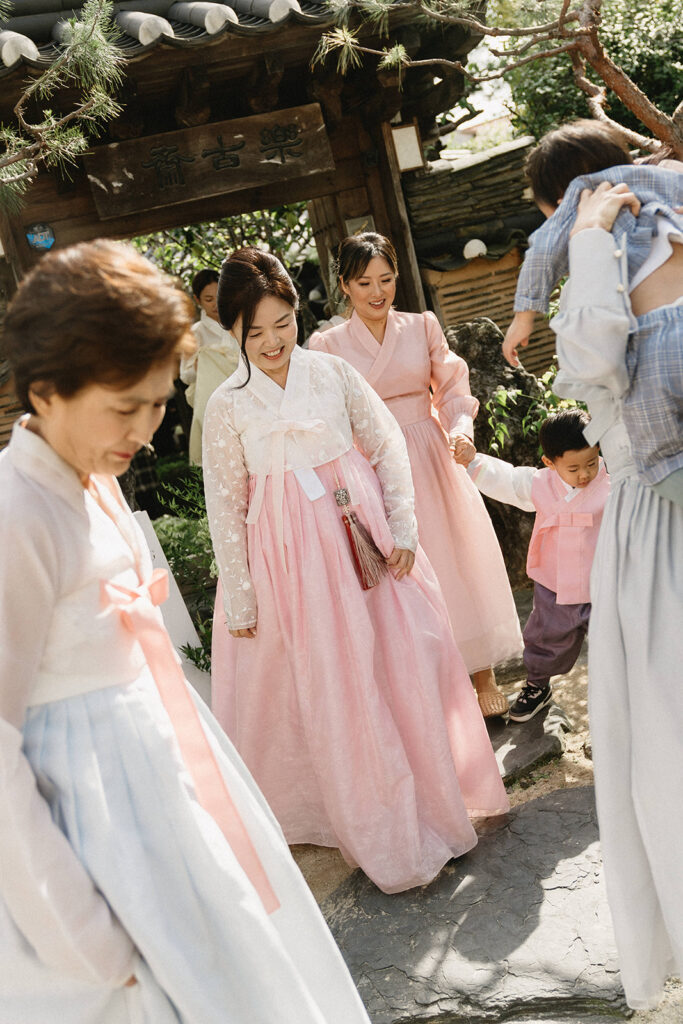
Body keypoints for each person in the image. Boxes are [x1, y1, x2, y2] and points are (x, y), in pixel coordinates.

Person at [0, 239, 373, 1024]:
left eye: (159, 402)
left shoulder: (89, 479)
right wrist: (79, 933)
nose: (143, 427)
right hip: (94, 823)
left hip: (162, 783)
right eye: (123, 405)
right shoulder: (19, 515)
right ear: (46, 388)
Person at [203, 247, 509, 894]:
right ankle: (373, 829)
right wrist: (242, 597)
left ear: (296, 311)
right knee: (334, 691)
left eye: (281, 322)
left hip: (359, 538)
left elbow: (387, 443)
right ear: (231, 332)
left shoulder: (330, 373)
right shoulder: (226, 406)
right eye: (252, 332)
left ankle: (428, 811)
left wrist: (401, 526)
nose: (271, 341)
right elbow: (225, 506)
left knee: (395, 669)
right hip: (290, 564)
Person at [549, 183, 683, 1011]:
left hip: (649, 535)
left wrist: (587, 245)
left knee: (665, 735)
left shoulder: (607, 259)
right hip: (649, 534)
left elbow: (585, 361)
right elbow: (593, 366)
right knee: (665, 735)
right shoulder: (634, 258)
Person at [308, 232, 522, 720]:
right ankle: (429, 684)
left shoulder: (422, 325)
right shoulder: (326, 345)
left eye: (386, 279)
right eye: (365, 282)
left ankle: (481, 673)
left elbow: (451, 387)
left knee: (454, 555)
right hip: (374, 462)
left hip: (429, 448)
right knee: (402, 566)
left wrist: (461, 428)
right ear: (345, 285)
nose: (377, 291)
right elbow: (327, 413)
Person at [502, 120, 683, 501]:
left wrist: (524, 314)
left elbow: (541, 255)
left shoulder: (581, 201)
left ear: (556, 198)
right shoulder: (654, 177)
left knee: (664, 459)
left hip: (654, 346)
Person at [464, 409, 609, 722]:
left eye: (591, 463)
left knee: (613, 643)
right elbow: (508, 479)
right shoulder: (540, 484)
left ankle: (616, 702)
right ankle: (538, 686)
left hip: (605, 583)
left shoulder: (613, 482)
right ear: (550, 463)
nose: (584, 474)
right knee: (545, 637)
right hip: (554, 582)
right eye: (573, 468)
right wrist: (472, 462)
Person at [179, 268, 240, 465]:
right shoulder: (195, 334)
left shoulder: (238, 322)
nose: (215, 304)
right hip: (213, 401)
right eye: (208, 299)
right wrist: (201, 364)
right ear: (198, 300)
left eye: (219, 295)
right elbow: (184, 375)